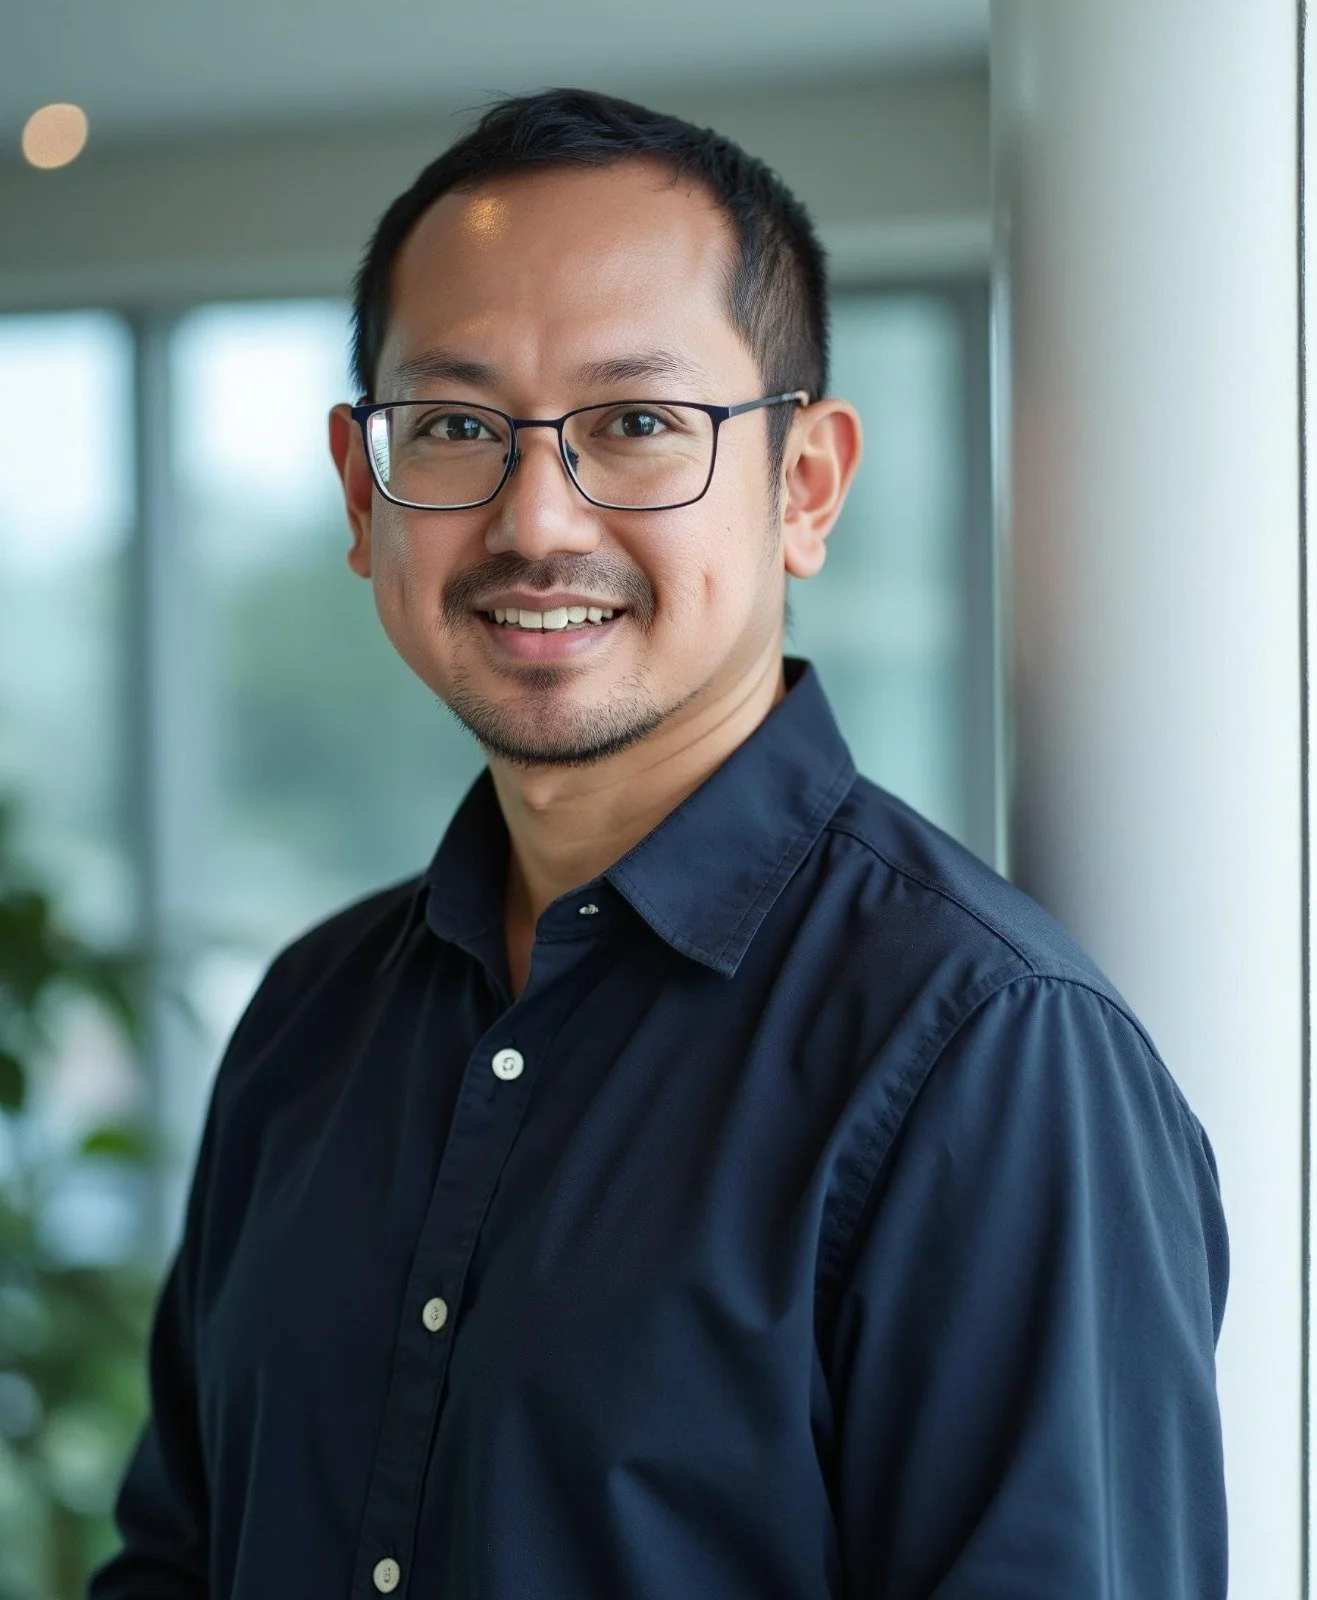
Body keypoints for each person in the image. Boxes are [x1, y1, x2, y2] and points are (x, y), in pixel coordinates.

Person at [90, 87, 1228, 1599]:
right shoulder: (312, 1019)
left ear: (803, 486)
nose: (537, 520)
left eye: (635, 424)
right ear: (366, 494)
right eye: (455, 426)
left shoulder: (993, 1058)